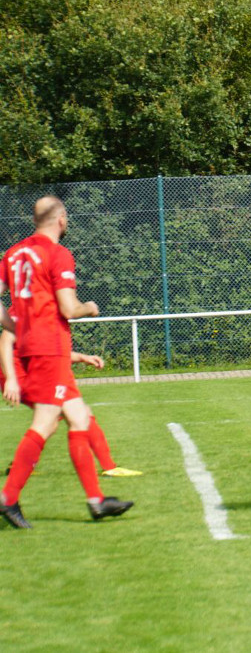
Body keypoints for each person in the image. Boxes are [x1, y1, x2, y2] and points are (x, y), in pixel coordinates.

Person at [0, 196, 134, 529]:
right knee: (46, 422)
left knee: (79, 416)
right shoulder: (58, 254)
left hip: (35, 347)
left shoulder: (13, 254)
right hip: (50, 348)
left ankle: (96, 501)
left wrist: (17, 327)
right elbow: (68, 308)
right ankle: (8, 498)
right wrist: (89, 306)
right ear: (61, 219)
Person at [1, 329, 143, 478]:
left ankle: (19, 465)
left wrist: (82, 357)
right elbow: (5, 339)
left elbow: (51, 353)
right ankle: (108, 467)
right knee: (81, 413)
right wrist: (10, 379)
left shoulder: (44, 315)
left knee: (50, 422)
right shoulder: (30, 309)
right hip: (22, 378)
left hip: (29, 376)